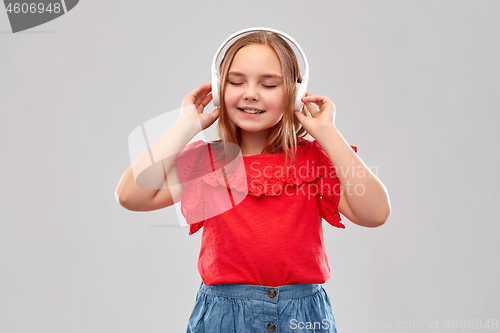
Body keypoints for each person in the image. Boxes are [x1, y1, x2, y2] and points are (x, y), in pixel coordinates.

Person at [115, 28, 391, 333]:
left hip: (303, 316)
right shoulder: (208, 162)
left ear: (295, 94)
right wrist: (185, 125)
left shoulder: (314, 160)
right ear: (220, 89)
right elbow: (131, 195)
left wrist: (328, 134)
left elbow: (376, 213)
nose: (250, 93)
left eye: (269, 84)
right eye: (235, 82)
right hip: (224, 316)